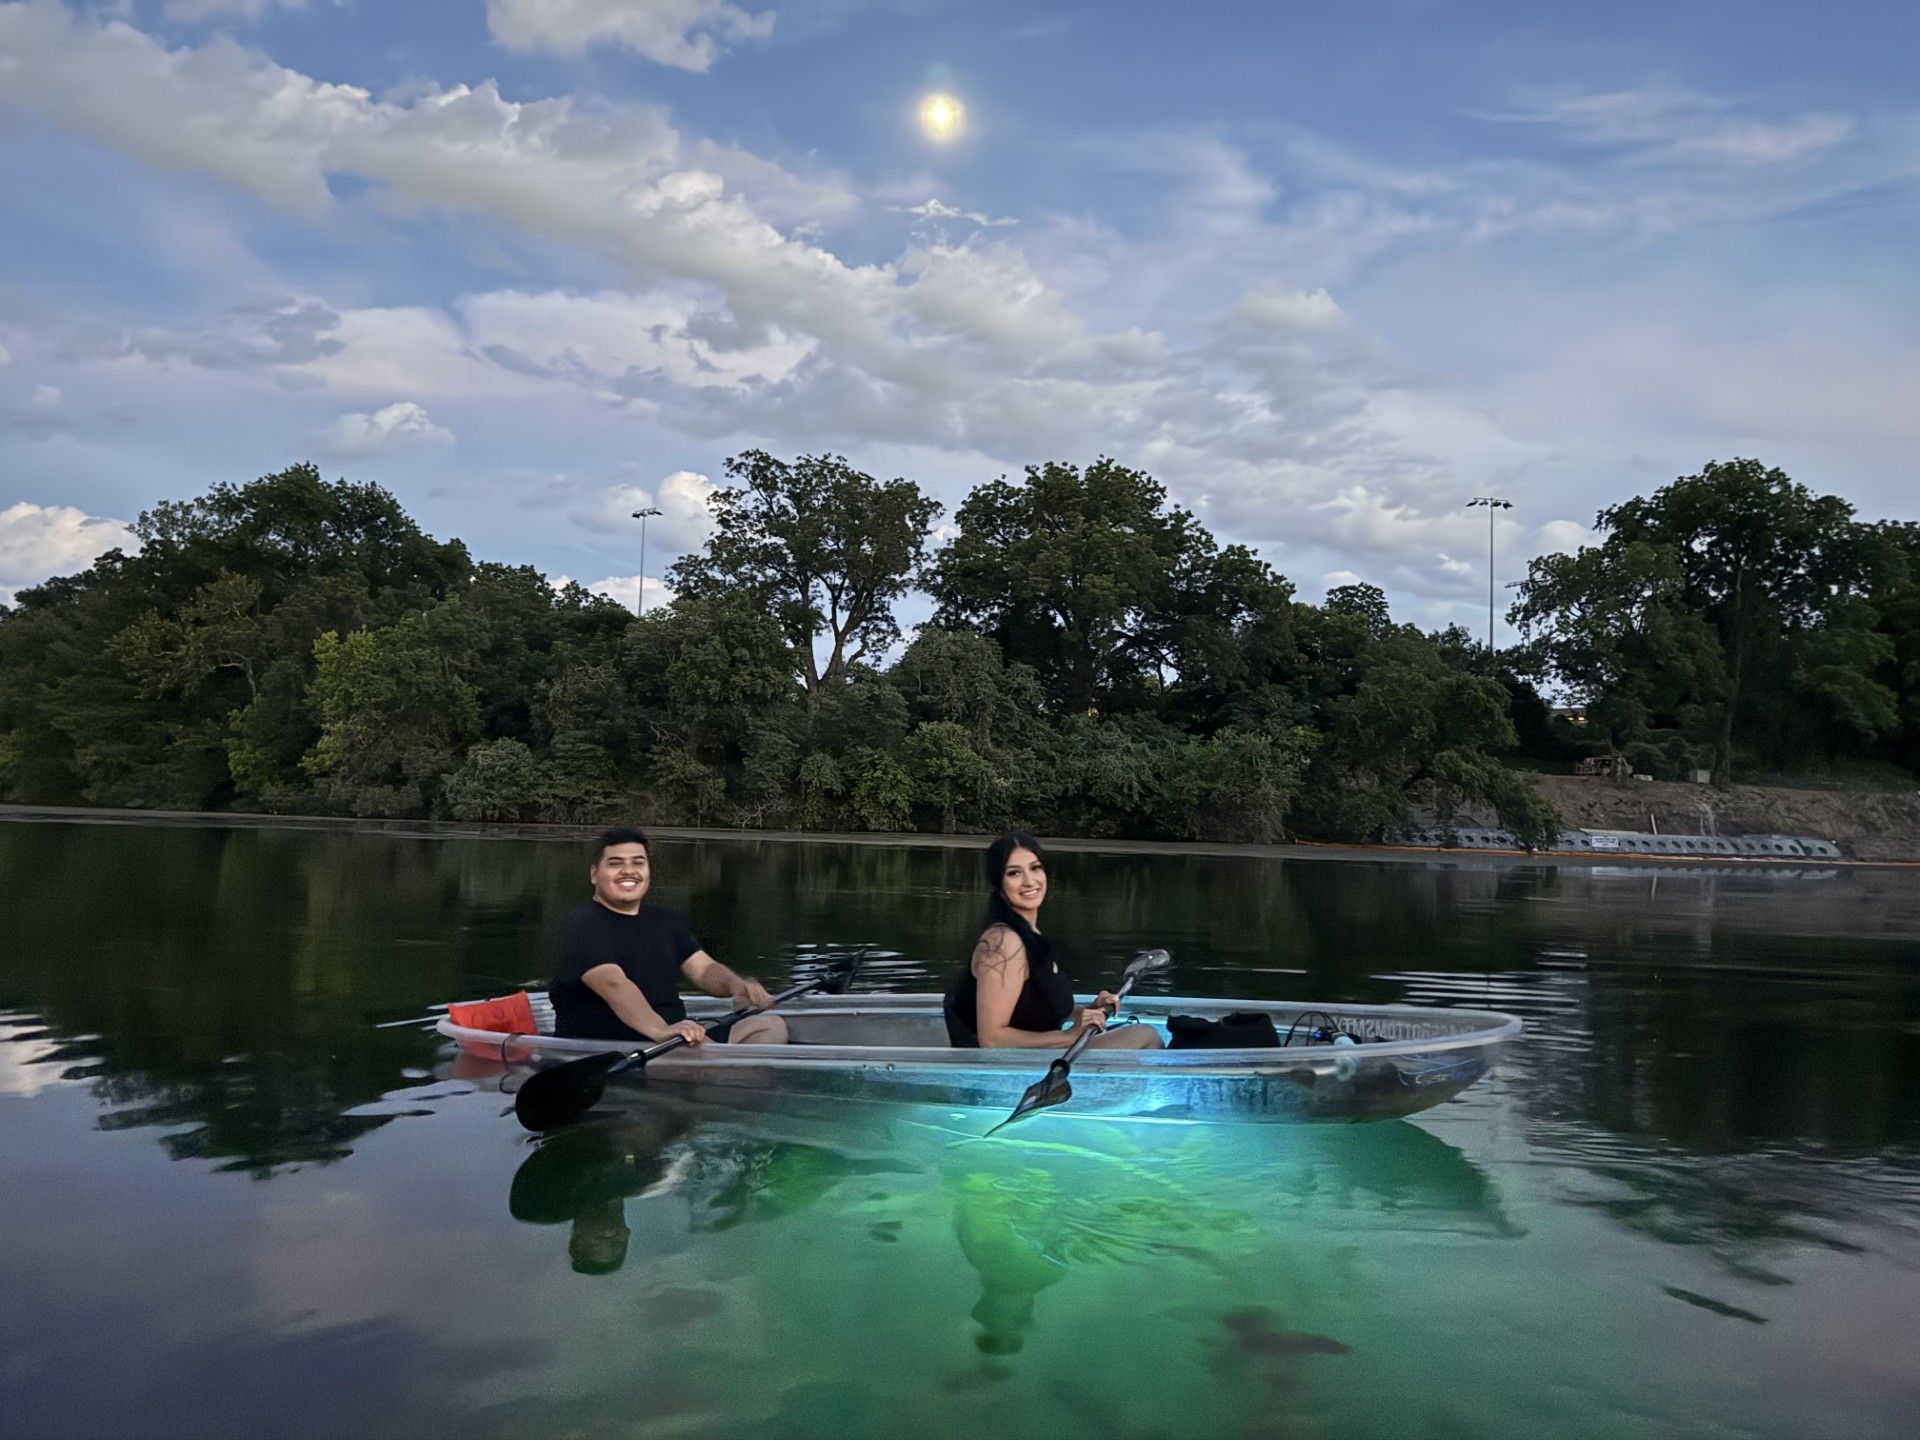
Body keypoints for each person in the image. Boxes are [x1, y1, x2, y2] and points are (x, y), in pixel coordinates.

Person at [550, 826, 788, 1046]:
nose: (628, 871)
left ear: (648, 871)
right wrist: (660, 1029)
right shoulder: (583, 925)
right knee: (702, 1053)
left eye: (638, 862)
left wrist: (736, 985)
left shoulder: (666, 921)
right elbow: (613, 983)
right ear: (594, 874)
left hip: (675, 1037)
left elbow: (704, 969)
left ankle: (734, 1079)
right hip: (617, 1047)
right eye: (615, 863)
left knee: (771, 1026)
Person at [943, 832, 1162, 1050]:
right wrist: (1069, 1036)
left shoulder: (1028, 935)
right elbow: (992, 1039)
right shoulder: (1002, 944)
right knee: (1145, 1036)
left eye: (1035, 868)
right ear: (999, 883)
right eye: (1014, 873)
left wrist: (1088, 1011)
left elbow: (1038, 1009)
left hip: (1042, 1057)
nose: (1029, 881)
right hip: (1011, 1070)